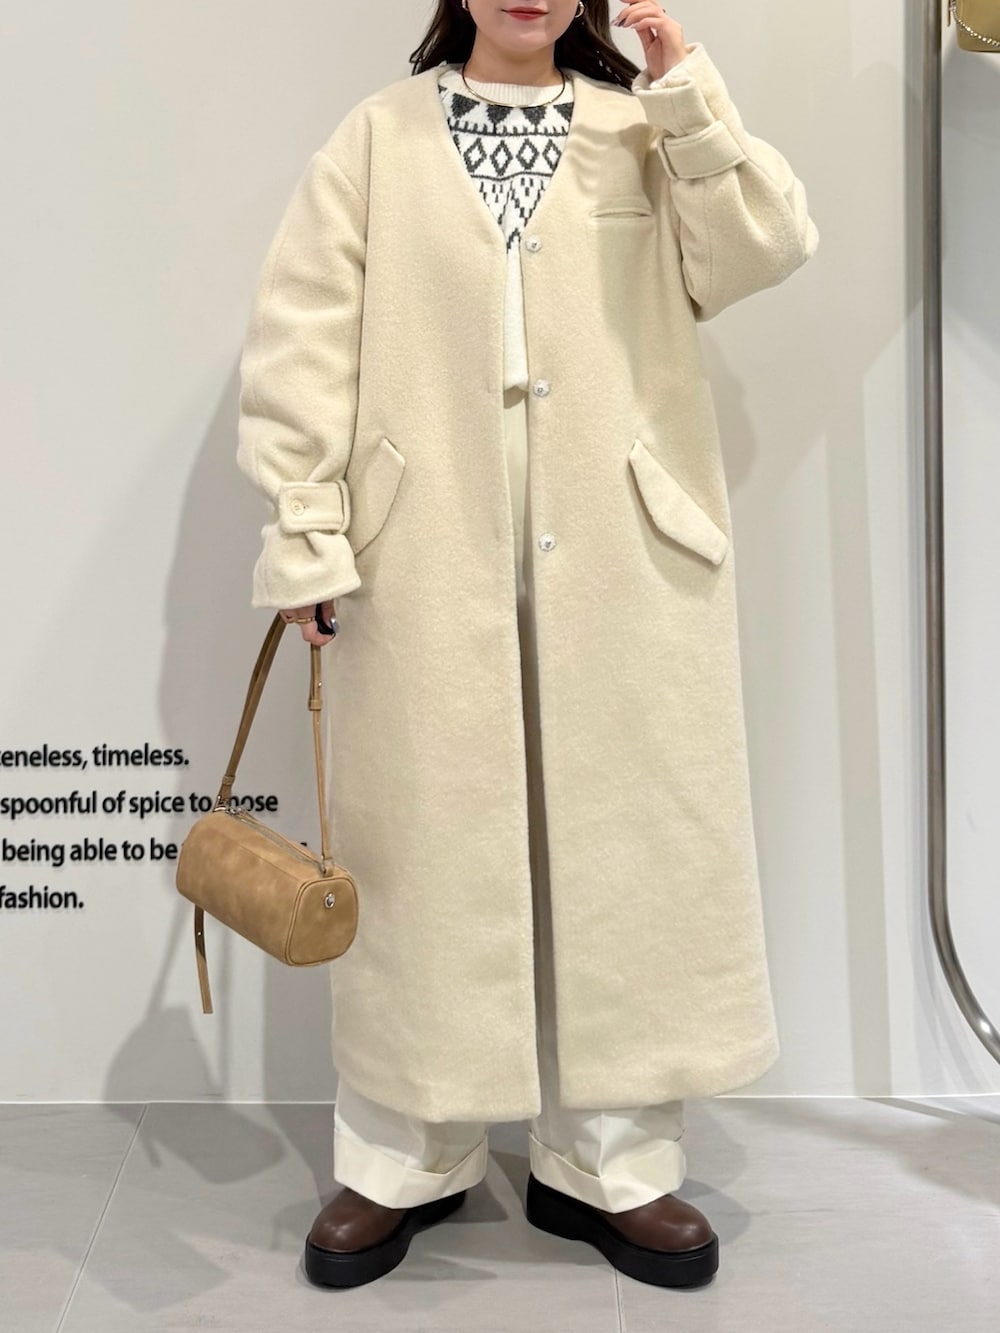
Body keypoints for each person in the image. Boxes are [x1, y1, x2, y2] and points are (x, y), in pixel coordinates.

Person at [236, 0, 818, 1293]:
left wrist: (685, 92)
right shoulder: (377, 139)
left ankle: (612, 1166)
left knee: (628, 849)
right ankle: (403, 1159)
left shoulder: (640, 128)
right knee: (421, 850)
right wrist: (307, 526)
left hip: (623, 553)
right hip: (421, 556)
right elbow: (302, 340)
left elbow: (763, 247)